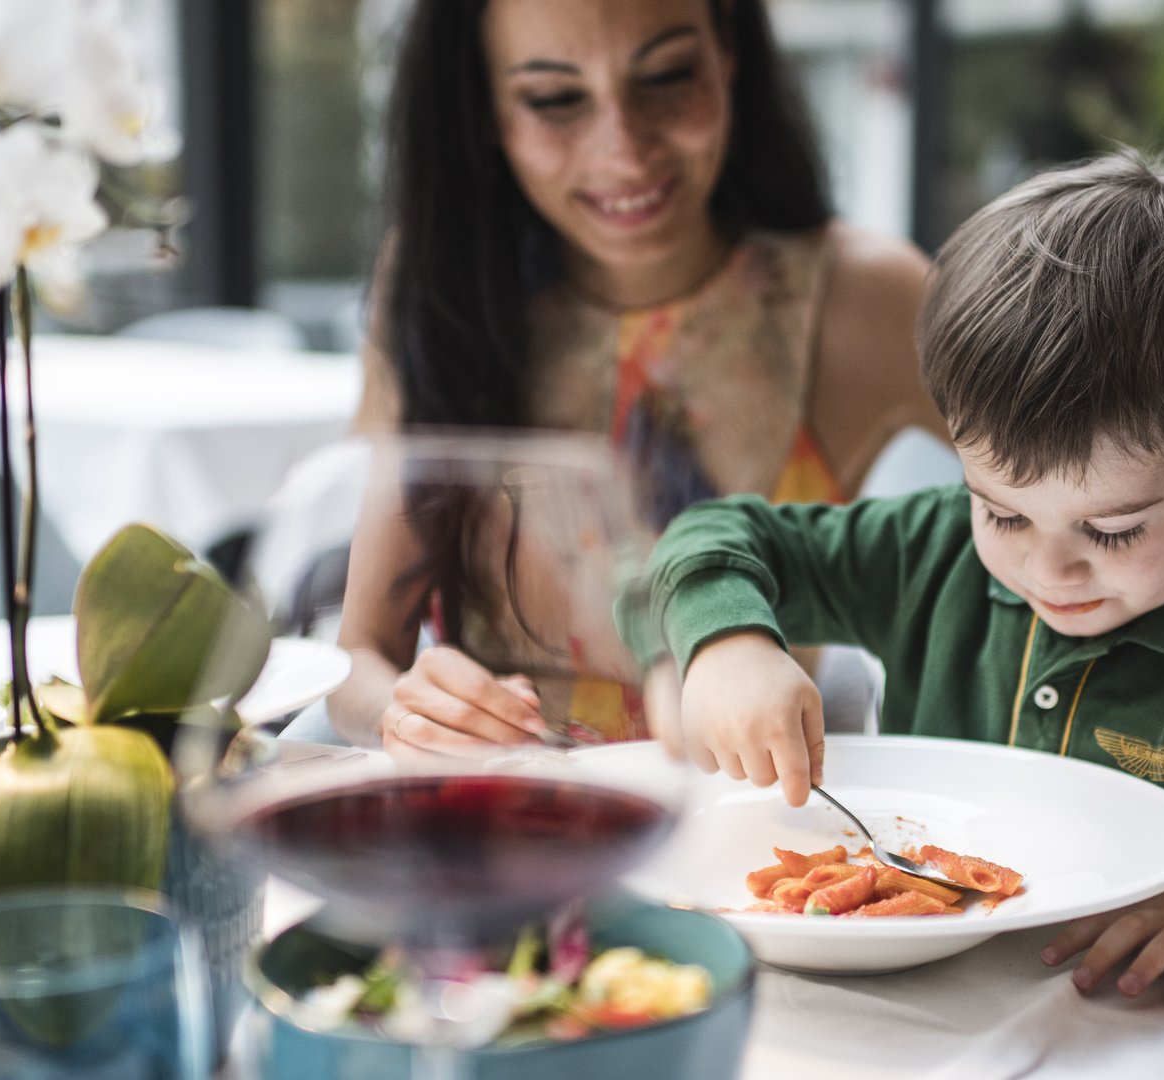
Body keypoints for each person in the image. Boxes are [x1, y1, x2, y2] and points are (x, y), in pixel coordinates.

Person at [632, 153, 1164, 1008]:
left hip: (1155, 1031)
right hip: (929, 1010)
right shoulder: (930, 549)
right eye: (1003, 513)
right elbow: (717, 533)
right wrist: (726, 639)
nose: (1047, 567)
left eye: (1112, 530)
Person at [329, 0, 945, 753]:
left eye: (666, 77)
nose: (622, 149)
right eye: (555, 98)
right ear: (483, 108)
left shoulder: (861, 298)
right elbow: (356, 658)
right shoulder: (443, 291)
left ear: (729, 57)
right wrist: (407, 708)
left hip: (751, 851)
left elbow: (1095, 492)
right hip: (496, 838)